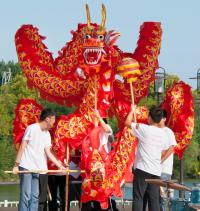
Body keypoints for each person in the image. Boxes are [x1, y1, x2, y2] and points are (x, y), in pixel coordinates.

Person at [12, 108, 65, 211]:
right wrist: (16, 165)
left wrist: (60, 166)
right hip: (26, 166)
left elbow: (48, 152)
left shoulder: (47, 134)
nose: (54, 123)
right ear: (48, 119)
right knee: (26, 195)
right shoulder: (32, 128)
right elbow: (23, 146)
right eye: (53, 120)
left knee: (35, 196)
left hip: (38, 168)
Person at [125, 105, 170, 211]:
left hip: (143, 169)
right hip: (155, 170)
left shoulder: (144, 128)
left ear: (149, 118)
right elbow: (163, 151)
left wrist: (132, 111)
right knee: (154, 199)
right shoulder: (163, 134)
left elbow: (127, 123)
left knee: (138, 197)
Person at [143, 109, 177, 211]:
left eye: (161, 117)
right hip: (152, 170)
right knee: (152, 198)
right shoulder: (151, 130)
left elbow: (171, 148)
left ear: (165, 119)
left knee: (162, 199)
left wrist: (160, 160)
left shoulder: (168, 131)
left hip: (163, 170)